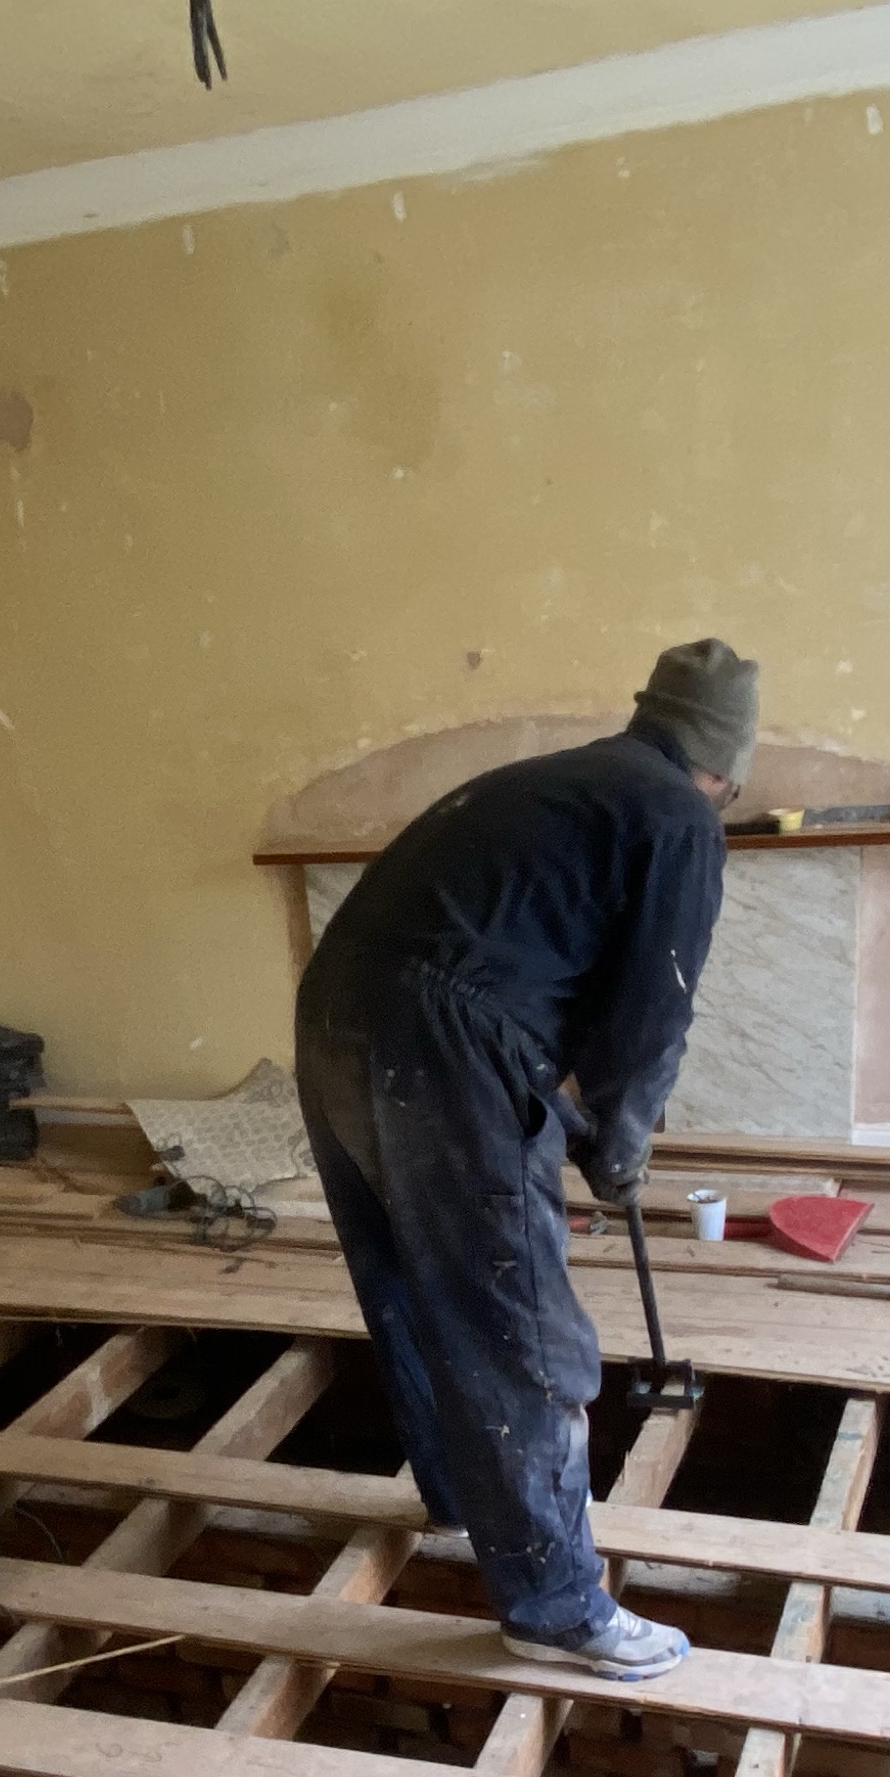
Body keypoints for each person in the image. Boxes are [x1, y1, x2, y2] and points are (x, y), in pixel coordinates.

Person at [294, 639, 758, 1677]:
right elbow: (653, 1009)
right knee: (516, 1315)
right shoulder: (680, 818)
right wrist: (623, 1145)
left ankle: (462, 1498)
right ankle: (554, 1603)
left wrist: (576, 1126)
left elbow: (565, 981)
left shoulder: (561, 783)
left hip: (334, 1008)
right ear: (727, 769)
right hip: (439, 1036)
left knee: (410, 1276)